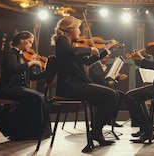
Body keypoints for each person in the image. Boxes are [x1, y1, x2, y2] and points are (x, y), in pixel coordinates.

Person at [51, 16, 120, 147]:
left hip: (76, 84)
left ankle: (96, 130)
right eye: (78, 28)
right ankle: (96, 131)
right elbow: (71, 51)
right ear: (70, 29)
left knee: (114, 95)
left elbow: (87, 61)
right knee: (111, 95)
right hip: (69, 86)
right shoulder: (62, 40)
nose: (80, 32)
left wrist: (104, 51)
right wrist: (90, 49)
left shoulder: (70, 45)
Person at [0, 31, 51, 141]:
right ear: (21, 40)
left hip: (19, 88)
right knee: (37, 97)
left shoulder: (23, 56)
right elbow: (13, 68)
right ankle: (31, 132)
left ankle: (38, 131)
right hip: (8, 88)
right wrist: (31, 63)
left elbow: (32, 77)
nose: (30, 45)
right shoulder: (10, 54)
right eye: (29, 42)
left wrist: (48, 72)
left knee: (42, 96)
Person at [88, 55, 128, 127]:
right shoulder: (95, 65)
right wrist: (115, 76)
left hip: (103, 89)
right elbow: (101, 79)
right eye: (105, 55)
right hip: (95, 90)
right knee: (114, 95)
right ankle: (97, 121)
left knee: (120, 95)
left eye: (109, 56)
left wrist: (118, 77)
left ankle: (111, 119)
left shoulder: (103, 66)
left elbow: (107, 80)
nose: (107, 57)